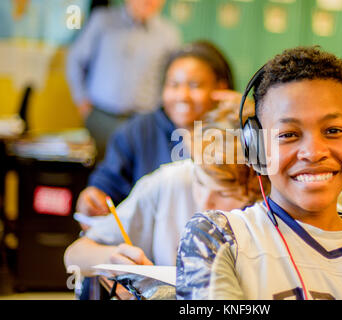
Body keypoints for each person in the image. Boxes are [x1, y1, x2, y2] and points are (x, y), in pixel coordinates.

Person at [175, 46, 342, 300]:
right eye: (288, 135)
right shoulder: (218, 238)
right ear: (257, 148)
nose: (313, 152)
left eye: (333, 130)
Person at [63, 116, 269, 299]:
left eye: (224, 194)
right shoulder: (170, 182)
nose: (205, 202)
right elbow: (74, 254)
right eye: (199, 182)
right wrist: (113, 259)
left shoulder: (268, 207)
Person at [75, 40, 240, 219]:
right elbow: (107, 183)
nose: (182, 96)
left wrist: (243, 117)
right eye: (174, 85)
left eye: (194, 86)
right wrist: (93, 196)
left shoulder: (237, 133)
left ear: (221, 88)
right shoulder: (138, 130)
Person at [66, 0, 181, 159]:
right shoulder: (103, 21)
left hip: (143, 120)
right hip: (101, 117)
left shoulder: (168, 34)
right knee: (98, 171)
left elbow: (172, 78)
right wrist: (81, 99)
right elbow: (75, 60)